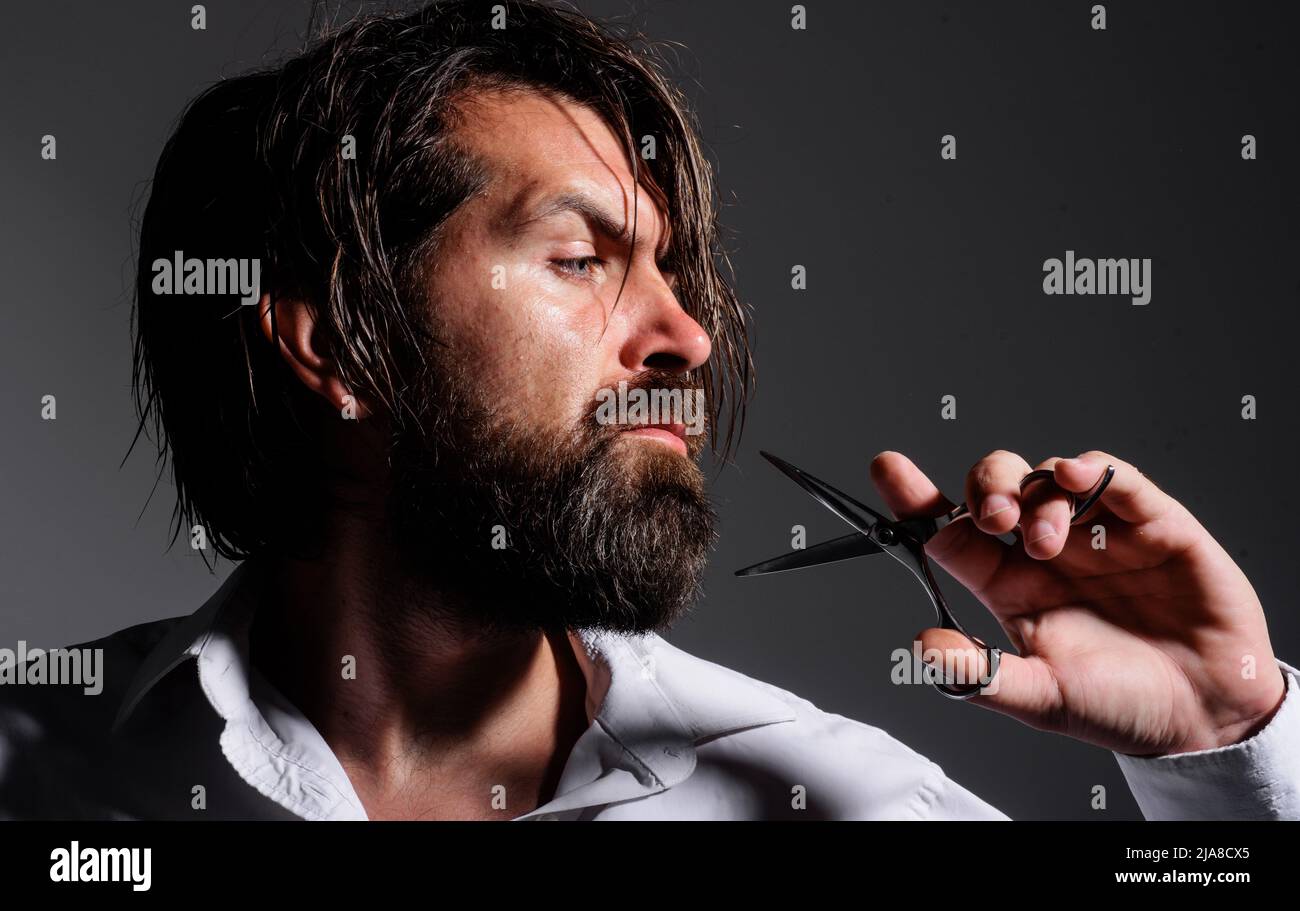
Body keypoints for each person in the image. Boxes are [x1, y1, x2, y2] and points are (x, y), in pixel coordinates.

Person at [1, 0, 1296, 821]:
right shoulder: (37, 760)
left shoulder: (845, 804)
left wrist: (1220, 760)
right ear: (336, 342)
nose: (686, 335)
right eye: (580, 260)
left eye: (673, 273)